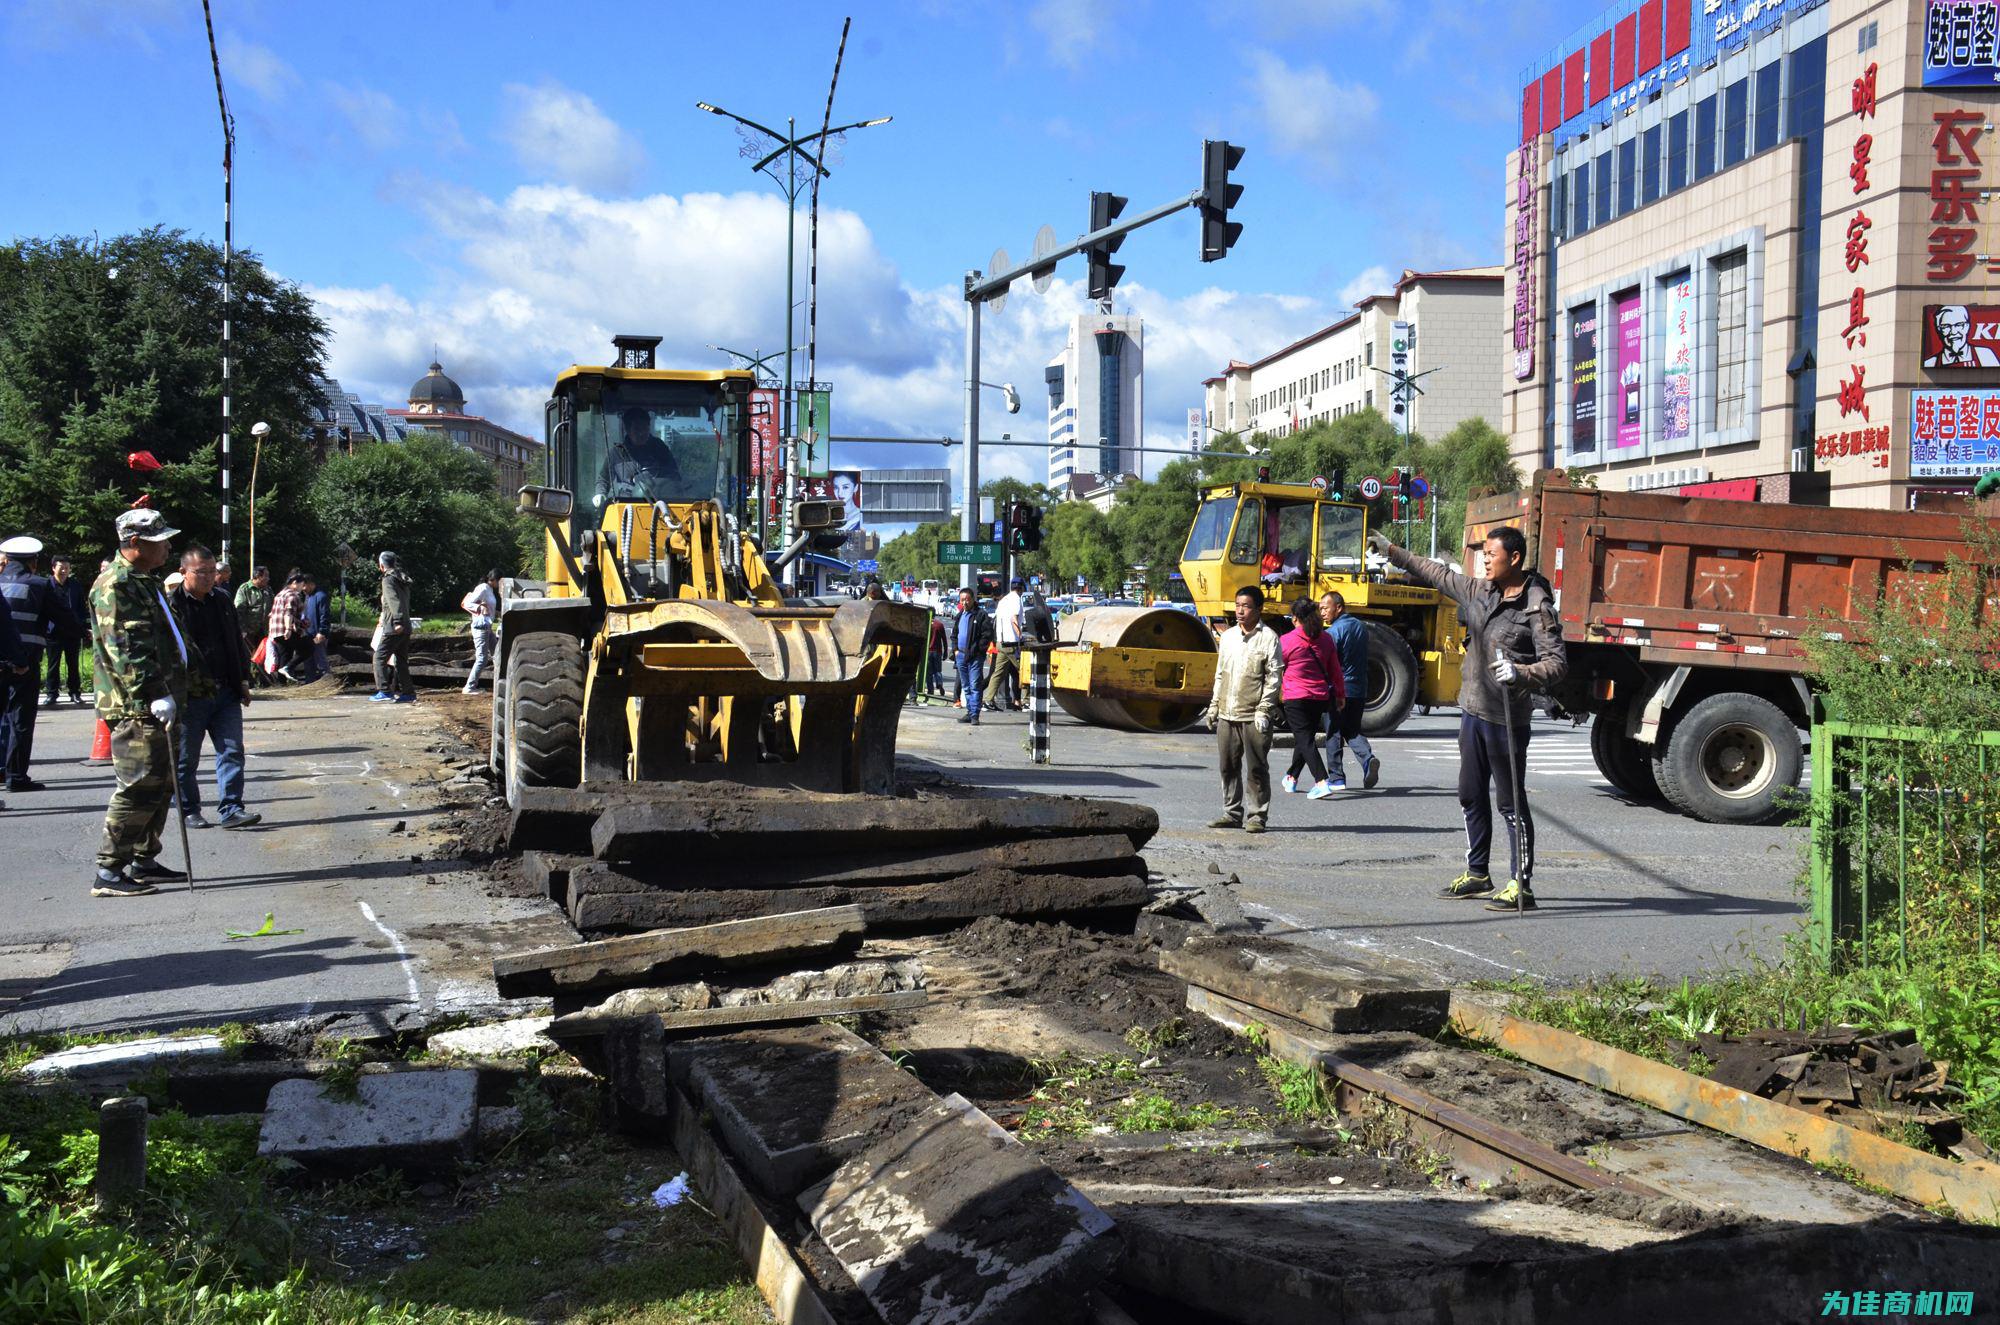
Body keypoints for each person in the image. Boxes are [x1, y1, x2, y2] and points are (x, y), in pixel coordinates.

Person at [1370, 526, 1567, 911]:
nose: (1484, 560)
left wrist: (1523, 673)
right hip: (1473, 710)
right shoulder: (1480, 591)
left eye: (1492, 554)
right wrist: (1392, 550)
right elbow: (1438, 574)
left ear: (1514, 558)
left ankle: (1520, 884)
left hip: (1506, 720)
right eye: (1483, 554)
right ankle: (1478, 873)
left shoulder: (1535, 606)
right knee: (1470, 794)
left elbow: (1557, 663)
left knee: (1510, 803)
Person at [89, 508, 193, 898]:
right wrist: (154, 694)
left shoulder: (143, 581)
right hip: (137, 704)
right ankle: (109, 870)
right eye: (159, 540)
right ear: (134, 544)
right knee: (138, 785)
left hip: (162, 698)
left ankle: (142, 857)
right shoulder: (115, 585)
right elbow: (127, 651)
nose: (167, 546)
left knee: (162, 784)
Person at [169, 545, 261, 830]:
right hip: (191, 695)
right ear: (184, 572)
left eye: (212, 572)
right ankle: (189, 809)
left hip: (226, 691)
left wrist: (243, 679)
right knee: (186, 758)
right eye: (202, 572)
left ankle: (232, 808)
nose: (209, 577)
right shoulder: (171, 605)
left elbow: (235, 642)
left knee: (232, 751)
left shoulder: (221, 600)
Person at [0, 535, 77, 792]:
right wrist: (83, 632)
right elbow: (63, 618)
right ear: (33, 562)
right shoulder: (40, 585)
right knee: (21, 718)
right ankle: (16, 776)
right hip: (25, 660)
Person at [1203, 586, 1282, 833]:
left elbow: (1274, 677)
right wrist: (1214, 706)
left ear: (1259, 609)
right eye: (1237, 605)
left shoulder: (1269, 638)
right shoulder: (1227, 637)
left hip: (1254, 715)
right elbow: (1220, 674)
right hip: (1227, 713)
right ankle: (1231, 813)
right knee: (1228, 766)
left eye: (1246, 606)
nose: (1240, 610)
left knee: (1256, 767)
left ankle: (1257, 816)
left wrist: (1264, 709)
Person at [1278, 597, 1345, 800]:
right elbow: (1335, 670)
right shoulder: (1326, 639)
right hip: (1319, 696)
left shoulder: (1287, 640)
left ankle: (1321, 781)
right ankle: (1291, 778)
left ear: (1296, 617)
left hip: (1295, 696)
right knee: (1304, 737)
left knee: (1304, 739)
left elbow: (1275, 668)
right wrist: (1341, 694)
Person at [1320, 591, 1380, 791]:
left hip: (1340, 689)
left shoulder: (1332, 633)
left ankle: (1336, 778)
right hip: (1359, 688)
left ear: (1339, 607)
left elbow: (1330, 663)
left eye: (1326, 608)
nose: (1322, 612)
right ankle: (1367, 759)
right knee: (1352, 729)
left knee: (1333, 731)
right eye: (1320, 608)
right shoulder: (1360, 627)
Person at [599, 407, 685, 505]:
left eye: (645, 428)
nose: (641, 433)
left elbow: (674, 476)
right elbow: (603, 479)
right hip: (625, 508)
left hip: (657, 506)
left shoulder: (660, 449)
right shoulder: (616, 453)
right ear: (627, 429)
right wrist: (600, 494)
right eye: (637, 429)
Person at [43, 555, 89, 707]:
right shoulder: (47, 585)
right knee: (53, 664)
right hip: (54, 631)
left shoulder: (74, 585)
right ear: (53, 568)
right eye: (61, 567)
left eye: (67, 568)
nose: (64, 570)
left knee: (73, 663)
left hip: (72, 630)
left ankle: (75, 692)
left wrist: (81, 625)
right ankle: (51, 693)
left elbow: (81, 608)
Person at [372, 551, 416, 703]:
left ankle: (384, 690)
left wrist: (397, 621)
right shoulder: (401, 577)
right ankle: (408, 692)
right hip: (406, 624)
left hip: (394, 626)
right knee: (401, 660)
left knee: (379, 658)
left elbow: (393, 600)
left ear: (381, 565)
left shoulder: (388, 580)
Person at [953, 586, 994, 725]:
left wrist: (979, 650)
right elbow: (954, 635)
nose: (965, 602)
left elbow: (987, 635)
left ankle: (975, 714)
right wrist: (955, 650)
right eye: (962, 600)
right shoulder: (960, 615)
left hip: (975, 656)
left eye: (967, 599)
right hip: (961, 655)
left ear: (973, 599)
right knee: (966, 686)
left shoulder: (980, 615)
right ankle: (970, 712)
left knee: (975, 685)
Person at [984, 578, 1025, 714]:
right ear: (1022, 588)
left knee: (998, 673)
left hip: (1001, 642)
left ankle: (988, 700)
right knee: (1025, 671)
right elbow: (1014, 619)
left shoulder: (1003, 601)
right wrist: (1020, 635)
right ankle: (1027, 700)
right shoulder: (1016, 599)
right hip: (1011, 643)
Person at [462, 568, 501, 693]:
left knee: (497, 655)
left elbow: (489, 607)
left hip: (487, 627)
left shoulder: (490, 590)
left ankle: (500, 684)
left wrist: (498, 613)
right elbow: (466, 603)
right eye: (499, 581)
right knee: (482, 658)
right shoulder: (483, 588)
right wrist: (479, 607)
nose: (500, 585)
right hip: (480, 627)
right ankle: (469, 687)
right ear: (493, 579)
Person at [1923, 305, 2000, 368]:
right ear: (1939, 329)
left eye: (1959, 325)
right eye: (1946, 326)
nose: (1953, 332)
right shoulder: (1930, 363)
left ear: (1967, 326)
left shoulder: (1984, 354)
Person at [266, 572, 309, 682]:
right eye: (302, 584)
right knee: (308, 647)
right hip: (285, 630)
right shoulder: (291, 595)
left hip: (275, 631)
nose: (302, 588)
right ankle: (288, 668)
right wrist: (289, 629)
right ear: (295, 583)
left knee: (285, 655)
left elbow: (271, 614)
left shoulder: (280, 594)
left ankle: (281, 683)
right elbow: (288, 613)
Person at [235, 566, 272, 688]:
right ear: (258, 576)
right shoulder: (245, 589)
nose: (268, 578)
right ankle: (249, 682)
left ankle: (264, 682)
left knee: (264, 655)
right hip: (248, 630)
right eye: (265, 576)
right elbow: (239, 610)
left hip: (264, 630)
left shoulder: (268, 590)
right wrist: (242, 629)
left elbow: (273, 605)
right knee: (248, 655)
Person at [303, 574, 331, 681]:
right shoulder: (307, 596)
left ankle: (327, 683)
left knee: (321, 661)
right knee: (308, 661)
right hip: (308, 634)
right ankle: (310, 683)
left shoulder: (321, 596)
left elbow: (325, 616)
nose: (303, 589)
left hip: (318, 634)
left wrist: (322, 632)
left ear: (310, 584)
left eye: (304, 585)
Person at [924, 611, 948, 698]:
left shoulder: (926, 624)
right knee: (938, 670)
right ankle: (939, 684)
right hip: (937, 651)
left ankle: (931, 690)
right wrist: (945, 652)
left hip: (928, 651)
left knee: (928, 672)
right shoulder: (939, 625)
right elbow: (944, 640)